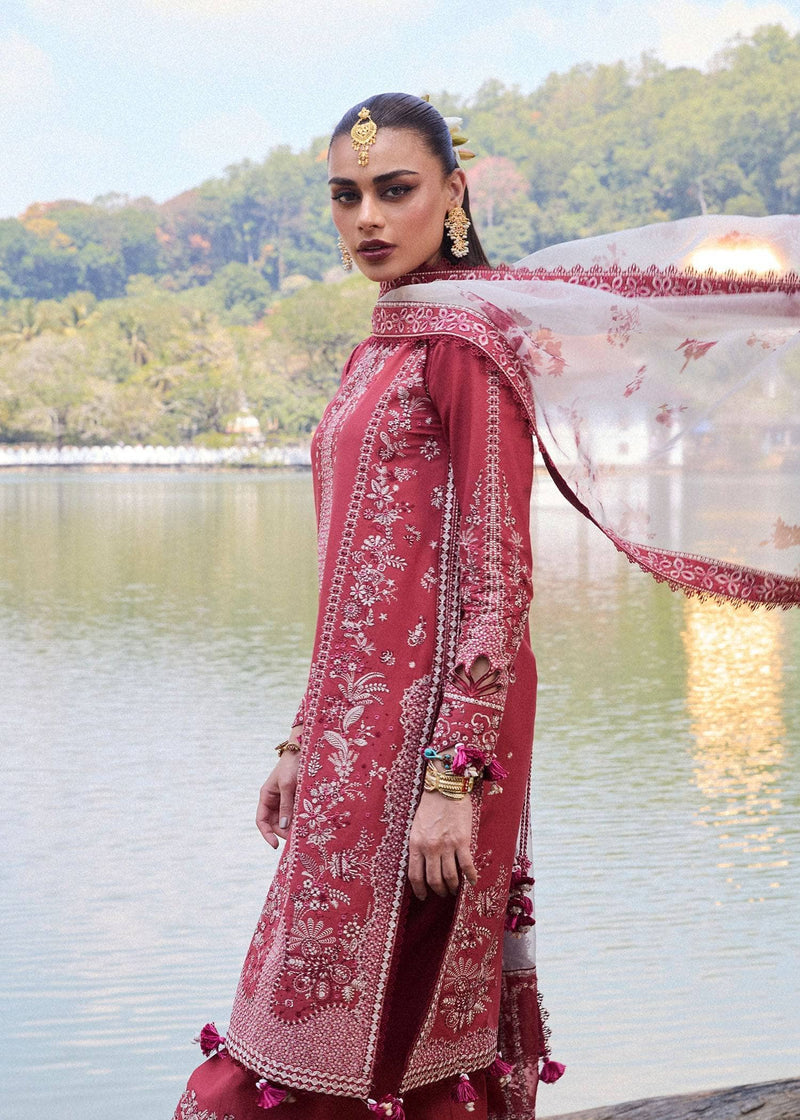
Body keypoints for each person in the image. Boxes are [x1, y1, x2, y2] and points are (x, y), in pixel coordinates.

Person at [174, 94, 800, 1120]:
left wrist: (453, 780)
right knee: (316, 989)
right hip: (354, 739)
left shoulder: (464, 346)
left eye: (395, 189)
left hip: (437, 742)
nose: (368, 217)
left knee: (393, 1007)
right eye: (345, 196)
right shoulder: (381, 344)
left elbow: (496, 574)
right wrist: (299, 741)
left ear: (453, 193)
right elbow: (351, 583)